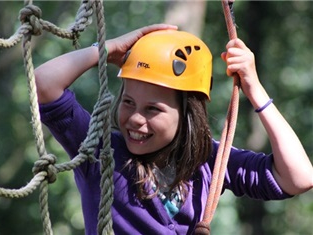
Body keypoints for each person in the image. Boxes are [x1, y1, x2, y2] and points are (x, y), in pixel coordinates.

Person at [35, 24, 313, 234]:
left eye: (152, 109)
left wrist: (254, 88)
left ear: (187, 115)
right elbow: (43, 85)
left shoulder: (208, 162)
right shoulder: (102, 153)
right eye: (128, 102)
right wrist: (106, 49)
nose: (135, 118)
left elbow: (299, 177)